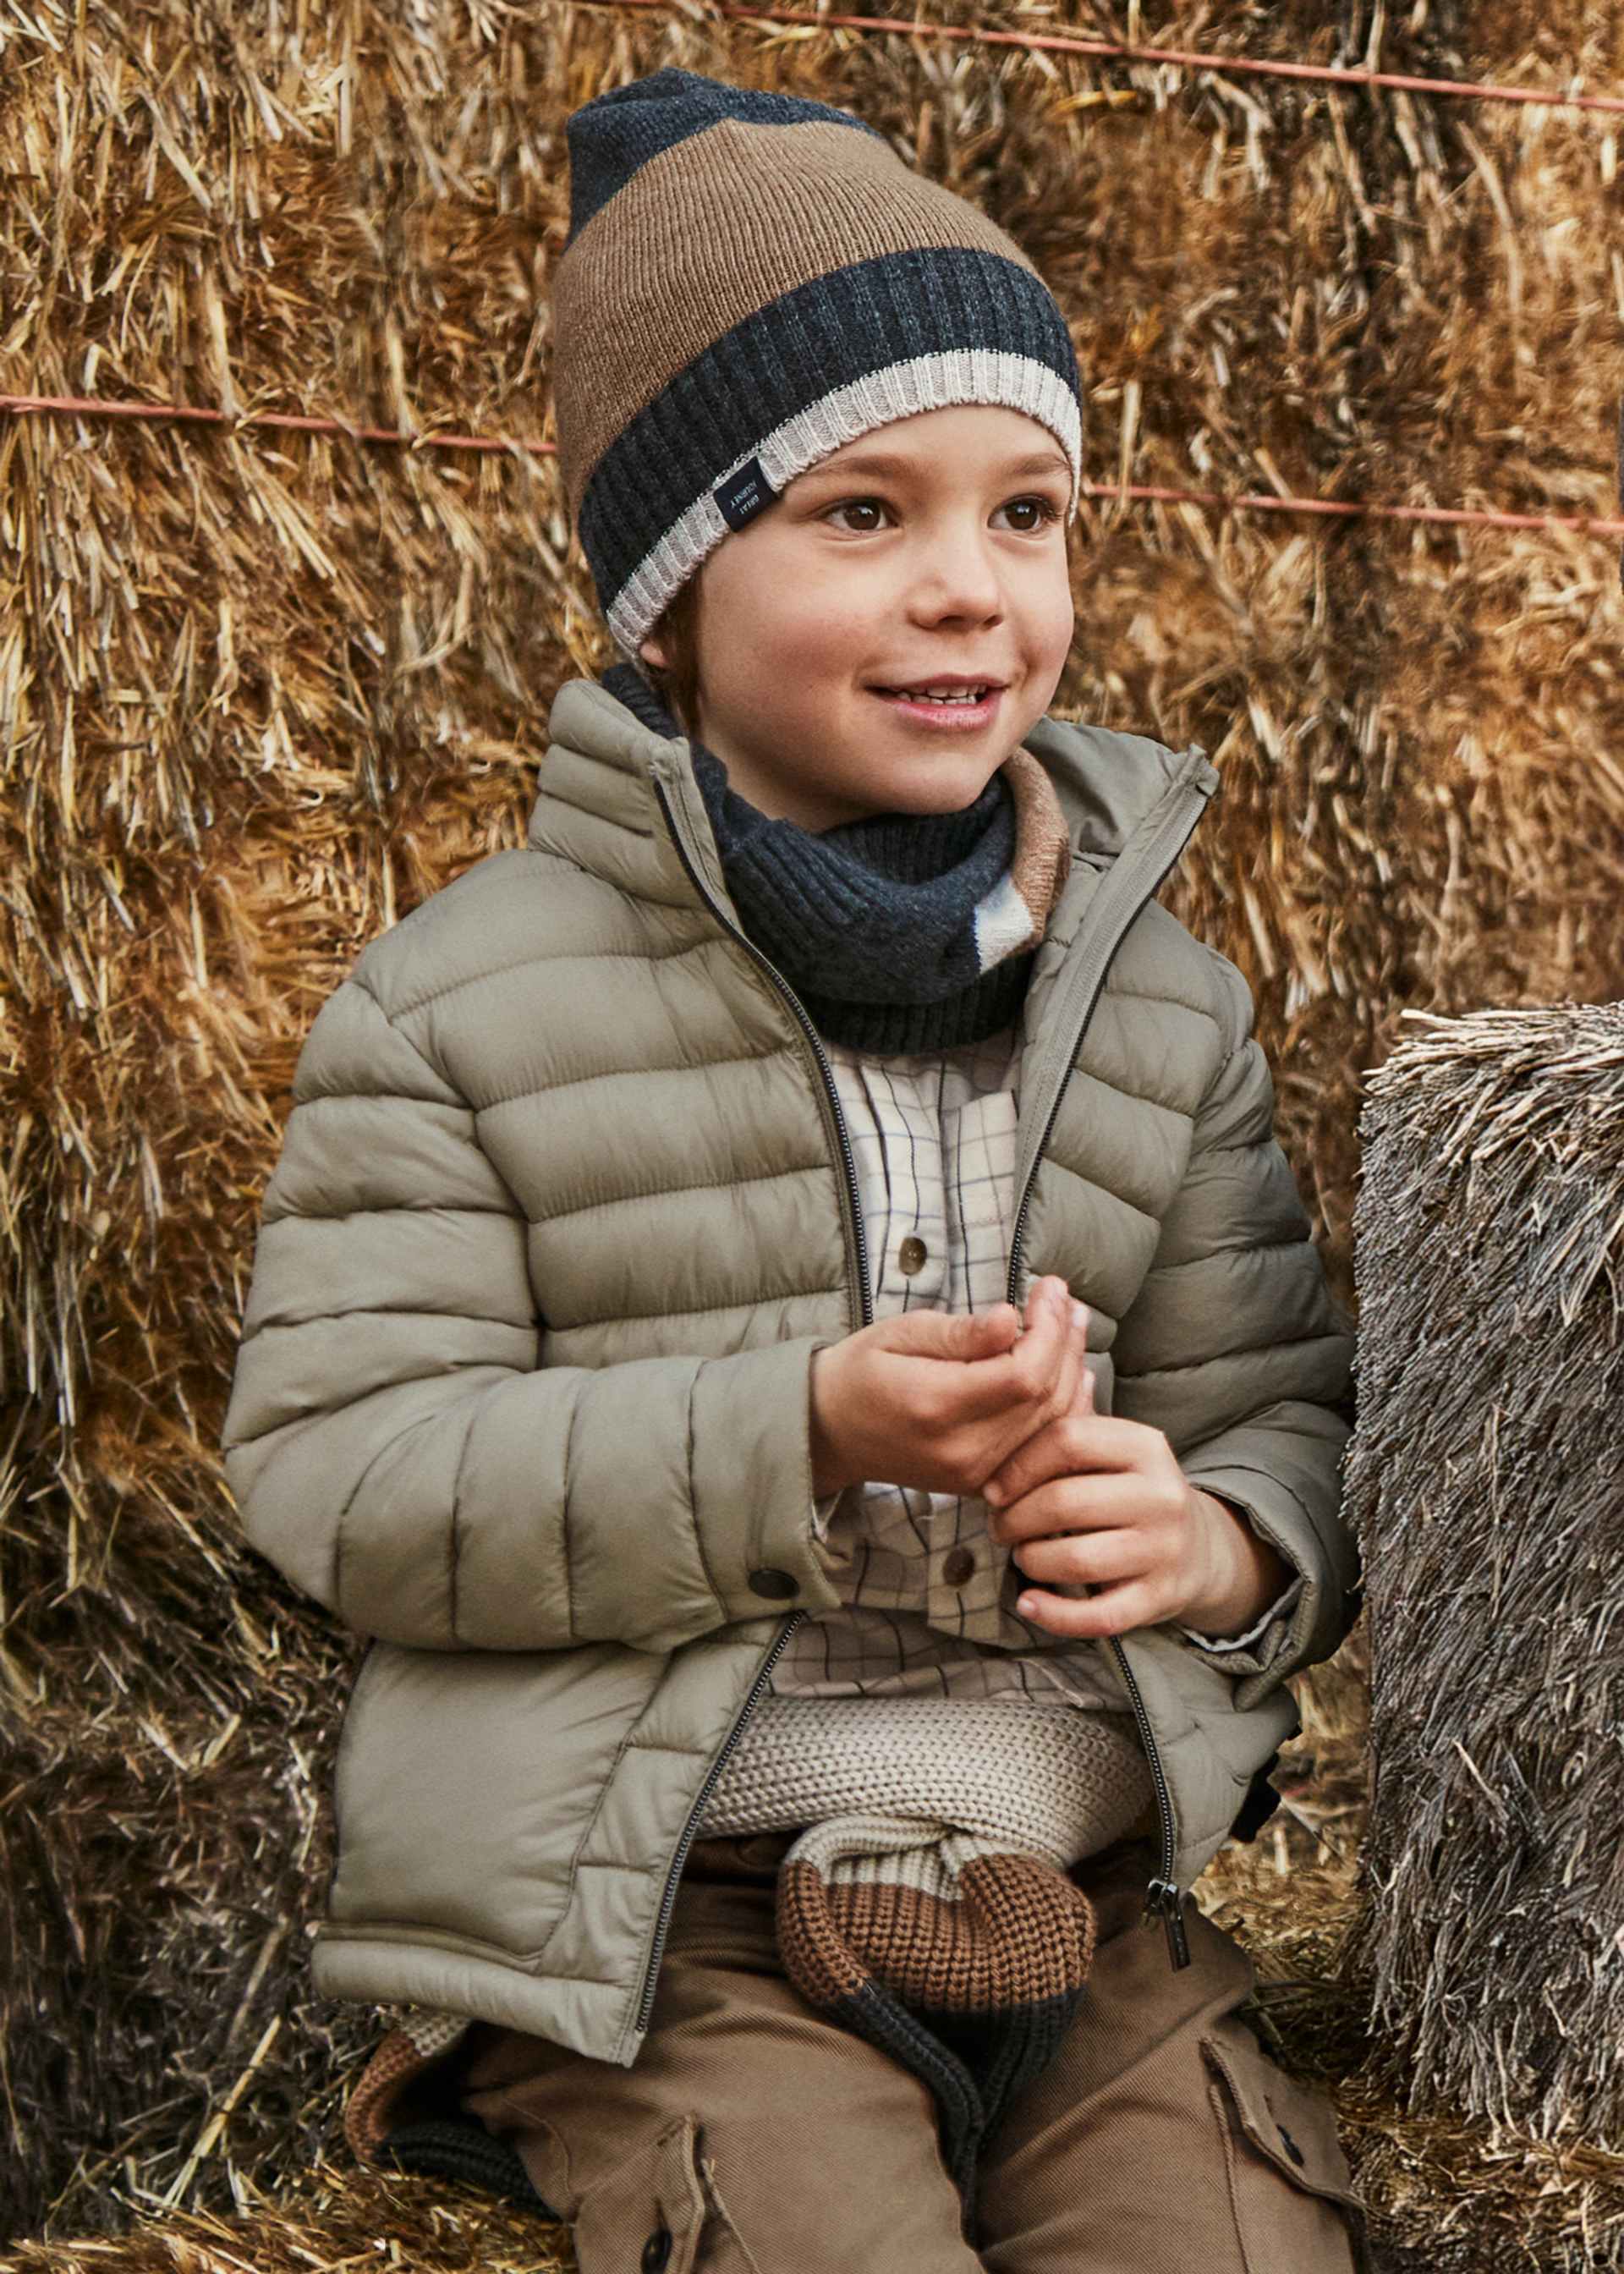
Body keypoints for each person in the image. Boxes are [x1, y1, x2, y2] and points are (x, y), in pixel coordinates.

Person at [220, 64, 1369, 2274]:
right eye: (863, 513)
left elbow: (1285, 1416)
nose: (970, 592)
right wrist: (800, 1430)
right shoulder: (466, 1009)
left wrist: (1217, 1540)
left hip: (1070, 1903)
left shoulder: (1158, 1004)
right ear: (668, 596)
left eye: (1026, 513)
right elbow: (343, 1478)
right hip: (672, 1919)